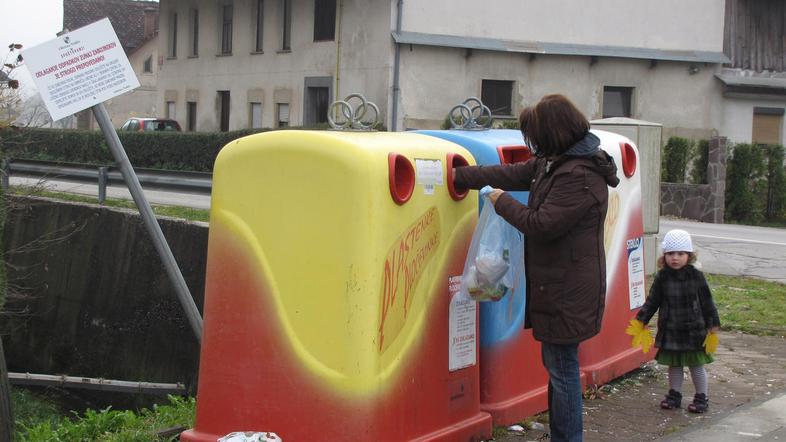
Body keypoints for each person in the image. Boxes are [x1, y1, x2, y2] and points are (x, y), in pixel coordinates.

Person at [452, 94, 619, 442]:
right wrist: (458, 174)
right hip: (557, 286)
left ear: (553, 133)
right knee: (558, 367)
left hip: (569, 290)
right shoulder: (555, 162)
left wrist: (500, 201)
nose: (534, 145)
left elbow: (542, 223)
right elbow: (510, 171)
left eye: (537, 136)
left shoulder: (579, 175)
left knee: (563, 371)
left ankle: (568, 438)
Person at [634, 229, 720, 413]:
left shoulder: (696, 276)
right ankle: (674, 394)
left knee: (696, 364)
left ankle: (701, 397)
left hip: (694, 331)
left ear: (689, 255)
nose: (675, 258)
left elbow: (707, 300)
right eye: (670, 253)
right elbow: (653, 300)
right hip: (671, 330)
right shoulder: (662, 277)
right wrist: (642, 319)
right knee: (675, 365)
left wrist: (712, 322)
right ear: (664, 255)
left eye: (680, 254)